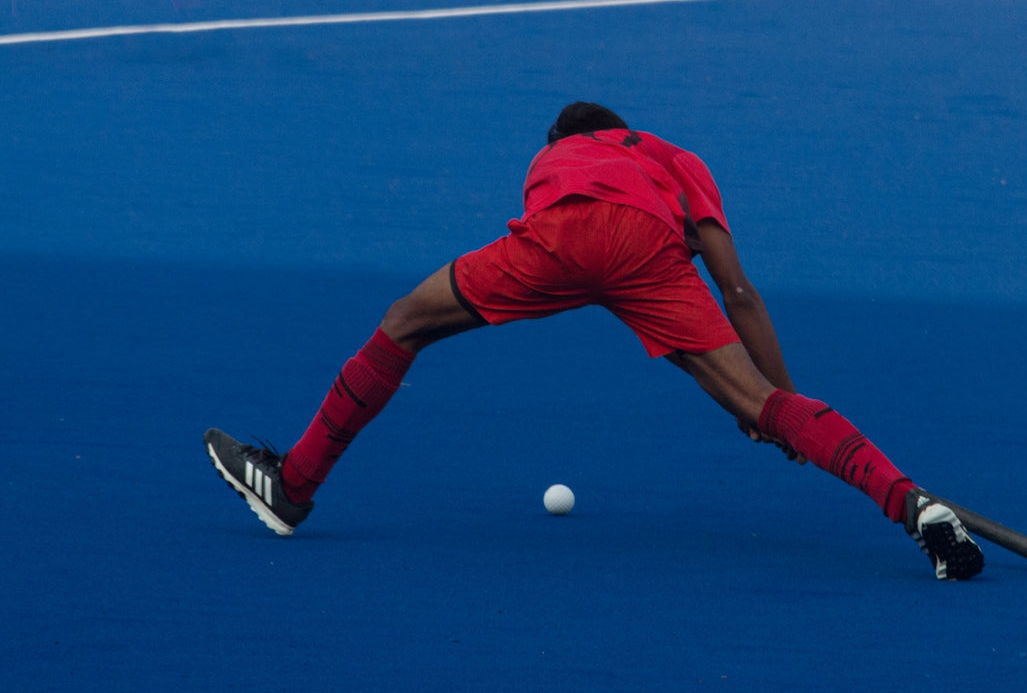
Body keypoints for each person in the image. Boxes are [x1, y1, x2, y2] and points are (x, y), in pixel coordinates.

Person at [204, 102, 984, 580]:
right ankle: (914, 505)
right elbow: (737, 289)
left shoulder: (555, 154)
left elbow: (569, 237)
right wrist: (767, 408)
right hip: (652, 250)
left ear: (564, 135)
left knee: (408, 318)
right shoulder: (678, 160)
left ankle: (294, 486)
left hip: (567, 236)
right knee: (770, 402)